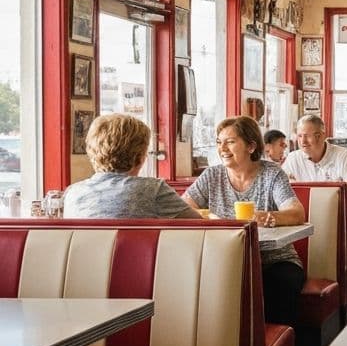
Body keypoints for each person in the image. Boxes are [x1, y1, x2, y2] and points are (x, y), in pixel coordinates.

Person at [184, 116, 306, 326]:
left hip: (274, 260)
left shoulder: (272, 174)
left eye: (230, 142)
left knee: (280, 283)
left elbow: (297, 213)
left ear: (251, 146)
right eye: (219, 142)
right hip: (225, 260)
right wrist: (207, 217)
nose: (222, 148)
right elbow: (184, 209)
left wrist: (268, 217)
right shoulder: (211, 175)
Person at [282, 114, 347, 296]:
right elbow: (281, 190)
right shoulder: (293, 159)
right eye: (300, 136)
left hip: (343, 215)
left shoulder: (341, 155)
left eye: (309, 135)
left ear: (322, 135)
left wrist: (324, 191)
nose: (303, 141)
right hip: (306, 219)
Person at [64, 113, 203, 220]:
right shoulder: (153, 190)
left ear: (91, 151)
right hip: (136, 257)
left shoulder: (73, 193)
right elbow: (200, 227)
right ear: (141, 156)